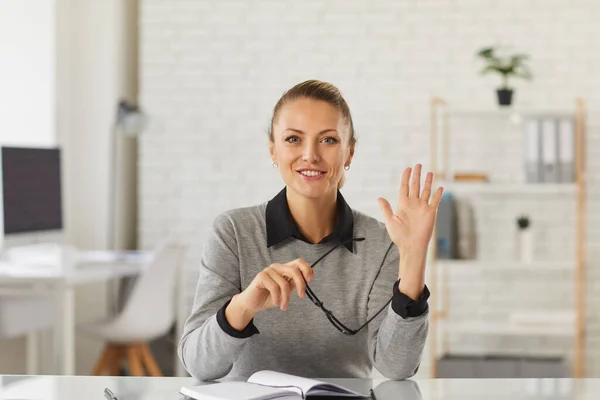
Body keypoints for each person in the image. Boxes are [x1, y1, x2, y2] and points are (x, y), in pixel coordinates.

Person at [178, 80, 443, 381]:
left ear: (350, 153)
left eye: (328, 140)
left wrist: (413, 255)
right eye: (293, 139)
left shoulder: (382, 241)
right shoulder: (233, 232)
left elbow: (397, 367)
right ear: (273, 150)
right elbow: (198, 365)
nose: (310, 155)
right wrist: (244, 305)